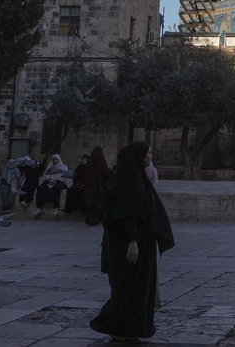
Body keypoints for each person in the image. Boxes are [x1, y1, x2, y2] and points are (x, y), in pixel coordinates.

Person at [90, 141, 175, 342]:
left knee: (136, 287)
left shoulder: (135, 179)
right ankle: (117, 326)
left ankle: (129, 328)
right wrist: (133, 241)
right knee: (130, 288)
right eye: (148, 154)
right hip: (133, 245)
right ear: (138, 157)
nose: (151, 157)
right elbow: (129, 214)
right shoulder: (132, 183)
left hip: (141, 243)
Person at [78, 147, 112, 227]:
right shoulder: (101, 163)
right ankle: (97, 220)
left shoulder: (89, 163)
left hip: (90, 187)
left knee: (91, 204)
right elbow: (105, 174)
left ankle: (90, 220)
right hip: (99, 187)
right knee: (98, 204)